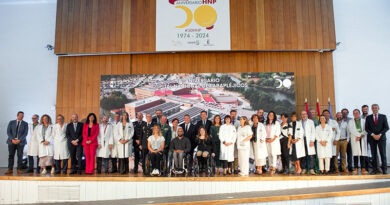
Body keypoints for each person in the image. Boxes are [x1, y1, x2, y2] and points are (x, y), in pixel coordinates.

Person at [365, 104, 389, 175]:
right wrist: (373, 135)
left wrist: (379, 135)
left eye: (376, 108)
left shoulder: (383, 116)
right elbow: (367, 128)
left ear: (378, 108)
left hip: (381, 138)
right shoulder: (368, 117)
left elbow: (386, 127)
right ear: (371, 109)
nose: (374, 109)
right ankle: (375, 169)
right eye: (373, 108)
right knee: (374, 154)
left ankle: (384, 170)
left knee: (383, 154)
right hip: (372, 138)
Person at [349, 109, 368, 174]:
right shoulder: (351, 121)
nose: (355, 114)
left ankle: (363, 168)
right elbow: (351, 129)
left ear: (359, 113)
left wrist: (360, 136)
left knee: (362, 154)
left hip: (362, 138)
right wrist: (358, 136)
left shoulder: (364, 121)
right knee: (355, 154)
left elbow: (366, 129)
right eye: (354, 113)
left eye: (357, 113)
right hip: (355, 139)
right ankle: (356, 168)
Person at [299, 111, 316, 175]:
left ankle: (311, 169)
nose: (303, 115)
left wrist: (312, 140)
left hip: (309, 140)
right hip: (302, 140)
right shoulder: (299, 122)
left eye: (305, 114)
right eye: (302, 114)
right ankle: (304, 169)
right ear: (301, 115)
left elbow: (313, 132)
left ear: (307, 115)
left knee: (310, 155)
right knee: (303, 155)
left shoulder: (311, 122)